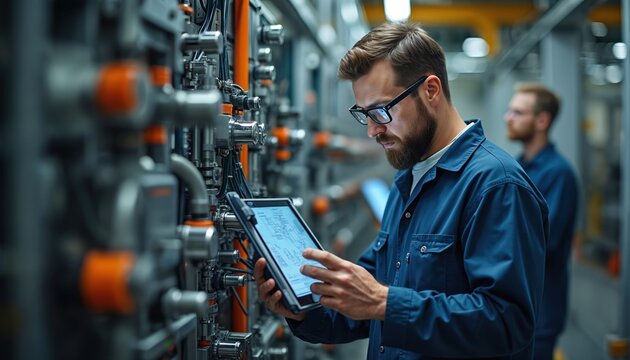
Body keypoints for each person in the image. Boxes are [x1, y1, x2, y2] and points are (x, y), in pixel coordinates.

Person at [255, 22, 549, 359]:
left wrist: (384, 303)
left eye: (381, 110)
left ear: (431, 90)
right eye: (363, 114)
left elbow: (508, 324)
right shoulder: (408, 180)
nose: (372, 130)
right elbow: (367, 304)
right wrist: (305, 309)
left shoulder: (496, 185)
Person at [505, 84, 579, 360]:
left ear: (542, 121)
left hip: (540, 310)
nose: (507, 117)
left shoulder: (559, 174)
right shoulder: (518, 166)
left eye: (517, 112)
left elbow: (542, 244)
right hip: (513, 306)